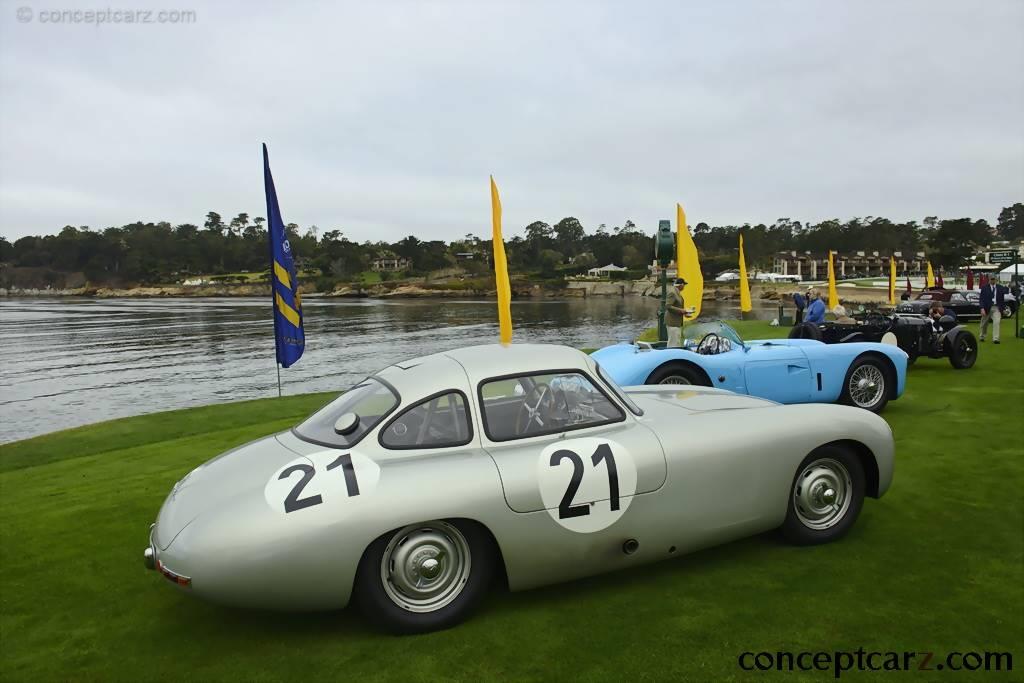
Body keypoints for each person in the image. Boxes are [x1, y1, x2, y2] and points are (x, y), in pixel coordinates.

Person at [979, 277, 1007, 344]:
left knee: (996, 322)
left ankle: (995, 339)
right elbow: (981, 299)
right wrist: (982, 308)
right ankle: (982, 336)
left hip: (996, 308)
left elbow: (1002, 300)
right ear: (989, 280)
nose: (992, 280)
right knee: (984, 324)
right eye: (991, 279)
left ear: (996, 280)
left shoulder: (1000, 287)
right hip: (986, 308)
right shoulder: (984, 287)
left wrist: (1002, 309)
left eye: (994, 279)